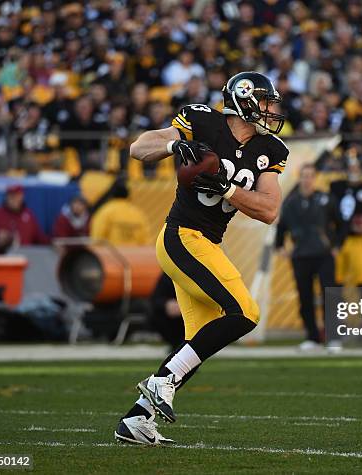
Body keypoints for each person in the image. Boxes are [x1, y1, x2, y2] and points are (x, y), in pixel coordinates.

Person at [114, 71, 288, 445]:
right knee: (245, 312)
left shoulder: (270, 150)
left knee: (197, 343)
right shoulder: (201, 121)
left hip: (207, 242)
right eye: (265, 101)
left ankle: (137, 419)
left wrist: (227, 188)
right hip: (180, 235)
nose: (272, 110)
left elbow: (269, 210)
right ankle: (161, 383)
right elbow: (138, 148)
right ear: (244, 101)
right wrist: (174, 147)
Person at [275, 164, 345, 350]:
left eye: (310, 176)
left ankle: (333, 338)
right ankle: (312, 337)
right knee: (305, 297)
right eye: (304, 176)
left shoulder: (326, 199)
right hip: (300, 256)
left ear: (315, 178)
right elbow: (281, 228)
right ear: (300, 178)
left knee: (329, 296)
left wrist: (337, 246)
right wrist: (280, 246)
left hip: (324, 255)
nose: (307, 179)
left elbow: (341, 224)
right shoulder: (290, 203)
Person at [329, 155, 362, 291]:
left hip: (357, 239)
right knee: (336, 278)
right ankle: (336, 309)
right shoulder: (337, 187)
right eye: (351, 168)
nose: (354, 171)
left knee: (361, 277)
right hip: (338, 239)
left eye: (356, 168)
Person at [0, 184, 49, 254]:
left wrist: (51, 242)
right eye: (11, 195)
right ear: (7, 197)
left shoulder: (28, 214)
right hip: (2, 257)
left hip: (25, 257)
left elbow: (38, 237)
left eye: (17, 195)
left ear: (22, 196)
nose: (14, 199)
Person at [90, 180, 151, 246]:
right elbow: (146, 240)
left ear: (112, 195)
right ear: (128, 196)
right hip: (134, 254)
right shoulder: (138, 214)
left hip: (113, 254)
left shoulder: (105, 211)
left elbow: (97, 236)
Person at [148, 274, 185, 349]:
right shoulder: (169, 274)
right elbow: (155, 299)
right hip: (175, 321)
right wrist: (166, 304)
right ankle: (177, 345)